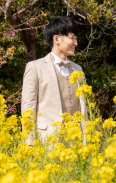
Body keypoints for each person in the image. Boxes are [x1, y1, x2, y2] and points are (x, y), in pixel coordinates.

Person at [21, 16, 88, 144]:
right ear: (56, 39)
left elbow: (83, 108)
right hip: (47, 141)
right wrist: (29, 143)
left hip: (76, 142)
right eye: (72, 38)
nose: (76, 43)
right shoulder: (35, 67)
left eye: (76, 39)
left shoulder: (78, 69)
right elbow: (28, 108)